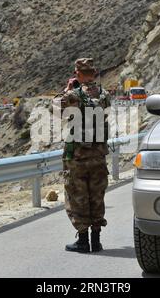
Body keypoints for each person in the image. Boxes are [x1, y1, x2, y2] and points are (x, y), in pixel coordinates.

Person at [60, 58, 111, 253]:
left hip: (77, 157)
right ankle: (96, 240)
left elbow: (56, 111)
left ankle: (82, 241)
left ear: (78, 74)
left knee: (77, 196)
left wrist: (67, 90)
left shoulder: (73, 95)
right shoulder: (104, 95)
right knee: (96, 196)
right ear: (94, 73)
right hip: (98, 155)